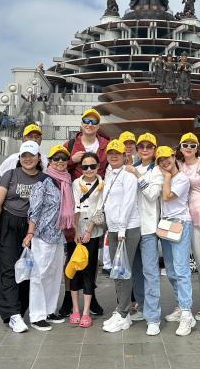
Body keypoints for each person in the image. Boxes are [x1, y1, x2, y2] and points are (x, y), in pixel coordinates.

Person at [0, 140, 44, 333]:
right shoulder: (10, 175)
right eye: (24, 156)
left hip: (32, 228)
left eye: (32, 156)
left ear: (38, 158)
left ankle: (21, 308)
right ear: (20, 158)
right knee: (8, 268)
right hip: (9, 223)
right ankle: (12, 313)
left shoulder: (44, 179)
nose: (28, 159)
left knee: (28, 269)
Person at [168, 133, 200, 335]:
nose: (188, 147)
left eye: (192, 144)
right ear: (180, 147)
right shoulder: (179, 165)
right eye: (185, 144)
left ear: (197, 147)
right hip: (189, 219)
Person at [57, 109, 109, 318]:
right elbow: (58, 167)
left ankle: (91, 296)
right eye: (86, 121)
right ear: (81, 124)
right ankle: (68, 299)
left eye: (94, 121)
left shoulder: (105, 143)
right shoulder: (69, 146)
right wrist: (71, 160)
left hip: (97, 204)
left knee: (91, 257)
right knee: (72, 255)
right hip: (73, 207)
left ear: (98, 125)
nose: (89, 124)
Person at [22, 143, 71, 331]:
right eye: (56, 158)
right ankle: (37, 315)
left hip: (58, 235)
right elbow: (34, 209)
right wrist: (30, 232)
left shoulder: (66, 181)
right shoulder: (43, 180)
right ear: (49, 161)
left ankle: (50, 310)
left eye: (63, 158)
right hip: (42, 234)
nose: (60, 162)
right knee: (39, 275)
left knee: (54, 274)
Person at [125, 132, 164, 335]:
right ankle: (141, 306)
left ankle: (153, 317)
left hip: (148, 229)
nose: (145, 149)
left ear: (154, 149)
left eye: (149, 146)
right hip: (131, 227)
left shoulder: (157, 170)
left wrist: (137, 176)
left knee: (150, 273)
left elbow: (152, 194)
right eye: (142, 146)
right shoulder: (129, 168)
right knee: (135, 272)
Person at [102, 139, 141, 333]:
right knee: (116, 270)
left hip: (127, 229)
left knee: (123, 271)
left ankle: (125, 313)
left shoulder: (128, 174)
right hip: (114, 228)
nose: (113, 156)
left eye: (117, 153)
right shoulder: (109, 174)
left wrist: (123, 229)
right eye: (110, 153)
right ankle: (120, 309)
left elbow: (128, 202)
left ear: (125, 155)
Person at [156, 145, 196, 336]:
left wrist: (166, 177)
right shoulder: (167, 176)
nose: (165, 161)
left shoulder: (181, 179)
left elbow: (166, 196)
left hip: (180, 222)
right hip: (165, 224)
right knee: (170, 270)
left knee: (181, 269)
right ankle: (181, 306)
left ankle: (188, 313)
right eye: (160, 159)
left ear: (173, 157)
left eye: (167, 157)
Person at [70, 152, 105, 328]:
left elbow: (100, 208)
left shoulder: (102, 184)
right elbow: (76, 206)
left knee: (89, 270)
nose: (89, 169)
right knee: (75, 268)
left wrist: (88, 230)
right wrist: (76, 231)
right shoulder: (76, 183)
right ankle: (75, 309)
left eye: (92, 166)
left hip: (94, 231)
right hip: (78, 231)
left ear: (98, 166)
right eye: (85, 167)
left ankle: (86, 311)